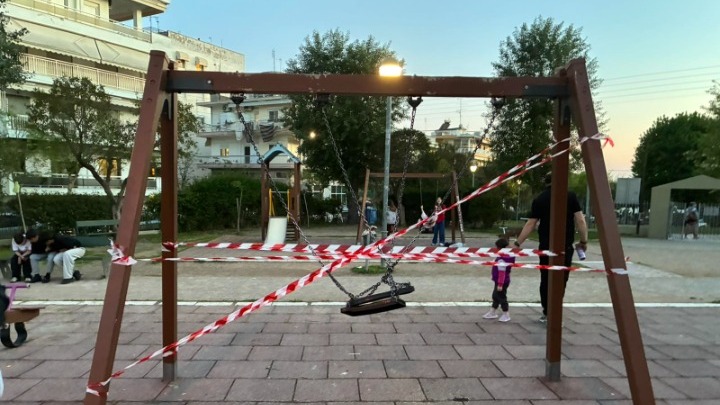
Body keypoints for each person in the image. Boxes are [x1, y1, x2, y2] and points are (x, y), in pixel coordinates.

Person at [514, 173, 588, 323]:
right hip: (565, 246)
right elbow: (580, 220)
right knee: (562, 279)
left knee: (546, 279)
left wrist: (517, 243)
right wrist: (583, 241)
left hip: (546, 246)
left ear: (546, 183)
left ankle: (547, 311)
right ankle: (556, 310)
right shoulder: (570, 196)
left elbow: (531, 223)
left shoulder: (540, 199)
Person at [482, 238, 516, 322]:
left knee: (501, 297)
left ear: (499, 247)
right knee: (496, 296)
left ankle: (506, 313)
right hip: (501, 280)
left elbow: (502, 273)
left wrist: (500, 284)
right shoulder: (506, 256)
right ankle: (492, 311)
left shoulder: (502, 258)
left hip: (501, 281)